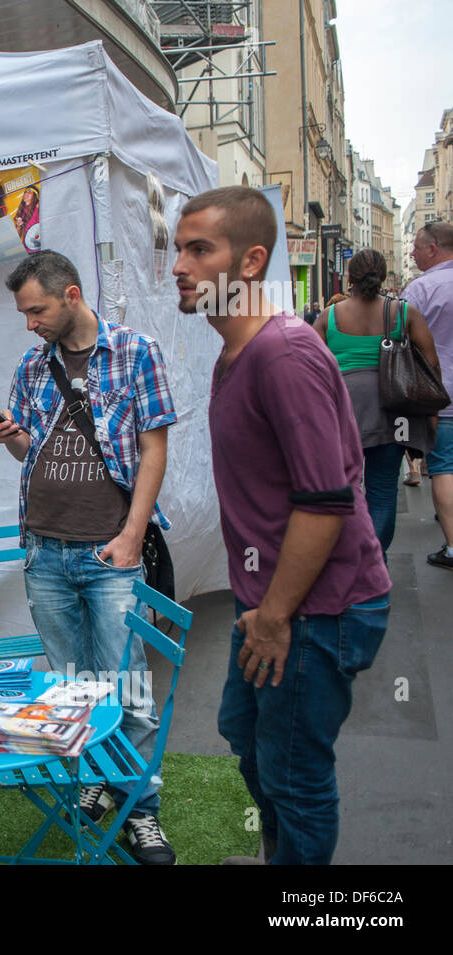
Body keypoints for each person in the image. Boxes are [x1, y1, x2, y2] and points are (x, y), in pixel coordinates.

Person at [173, 186, 390, 865]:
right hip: (271, 599)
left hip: (315, 607)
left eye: (198, 249)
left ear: (249, 261)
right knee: (244, 731)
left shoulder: (282, 353)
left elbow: (325, 500)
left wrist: (274, 615)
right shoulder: (237, 351)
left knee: (295, 772)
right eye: (177, 248)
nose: (178, 265)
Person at [0, 249, 177, 865]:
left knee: (130, 689)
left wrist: (130, 535)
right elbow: (29, 457)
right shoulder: (30, 365)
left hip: (110, 550)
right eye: (23, 313)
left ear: (70, 295)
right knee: (74, 689)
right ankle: (96, 780)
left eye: (35, 309)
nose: (29, 323)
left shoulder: (136, 352)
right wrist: (13, 440)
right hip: (43, 549)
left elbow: (154, 451)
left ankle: (140, 810)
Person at [314, 248, 440, 559]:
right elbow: (431, 363)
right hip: (393, 409)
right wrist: (432, 412)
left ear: (349, 277)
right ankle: (372, 557)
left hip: (342, 410)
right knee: (384, 490)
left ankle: (347, 556)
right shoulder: (404, 312)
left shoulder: (329, 316)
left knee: (345, 488)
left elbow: (307, 365)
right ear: (383, 276)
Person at [406, 221, 453, 569]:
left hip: (441, 394)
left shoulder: (420, 290)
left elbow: (399, 343)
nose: (412, 252)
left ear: (433, 249)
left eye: (417, 247)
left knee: (444, 468)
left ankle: (452, 548)